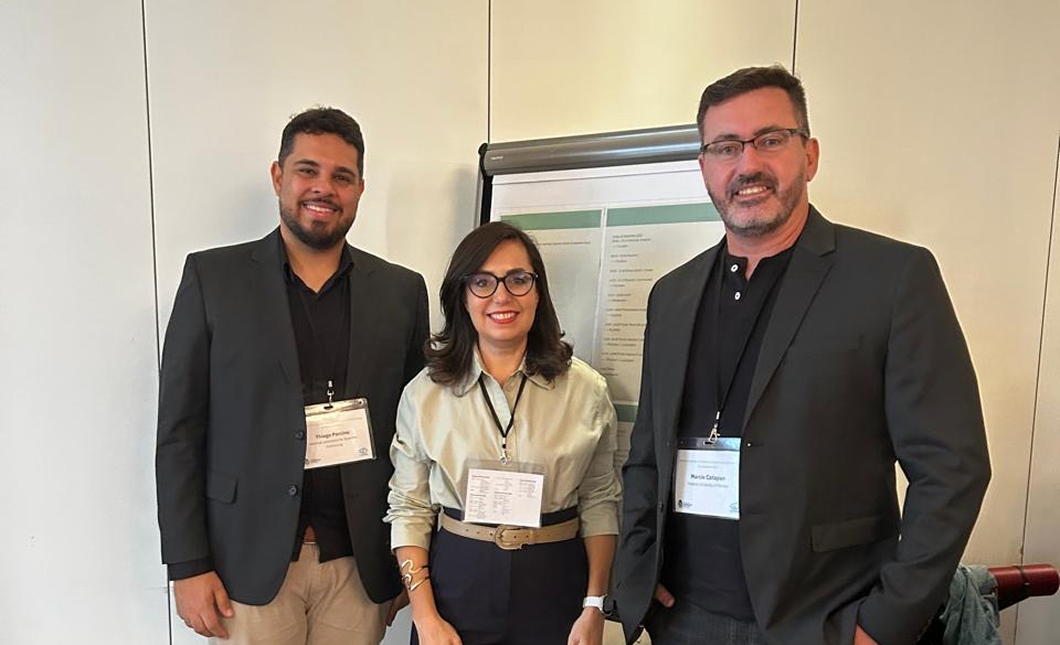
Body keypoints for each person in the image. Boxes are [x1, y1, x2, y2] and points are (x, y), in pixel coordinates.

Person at [612, 65, 991, 645]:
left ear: (809, 155)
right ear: (705, 167)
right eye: (726, 147)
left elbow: (953, 468)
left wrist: (883, 624)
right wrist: (640, 571)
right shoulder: (673, 294)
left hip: (825, 620)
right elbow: (646, 457)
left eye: (769, 139)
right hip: (683, 617)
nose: (747, 165)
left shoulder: (892, 278)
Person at [156, 107, 429, 644]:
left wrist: (414, 563)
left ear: (360, 189)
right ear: (279, 176)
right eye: (307, 170)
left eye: (341, 176)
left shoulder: (401, 291)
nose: (323, 188)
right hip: (246, 563)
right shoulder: (213, 279)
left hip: (360, 562)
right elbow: (180, 433)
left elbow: (418, 436)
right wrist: (187, 564)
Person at [385, 222, 621, 645]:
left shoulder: (587, 391)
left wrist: (594, 606)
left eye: (517, 279)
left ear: (537, 291)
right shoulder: (425, 394)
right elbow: (410, 508)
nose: (501, 296)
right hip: (457, 583)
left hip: (556, 585)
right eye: (482, 282)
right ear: (462, 295)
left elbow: (600, 500)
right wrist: (425, 618)